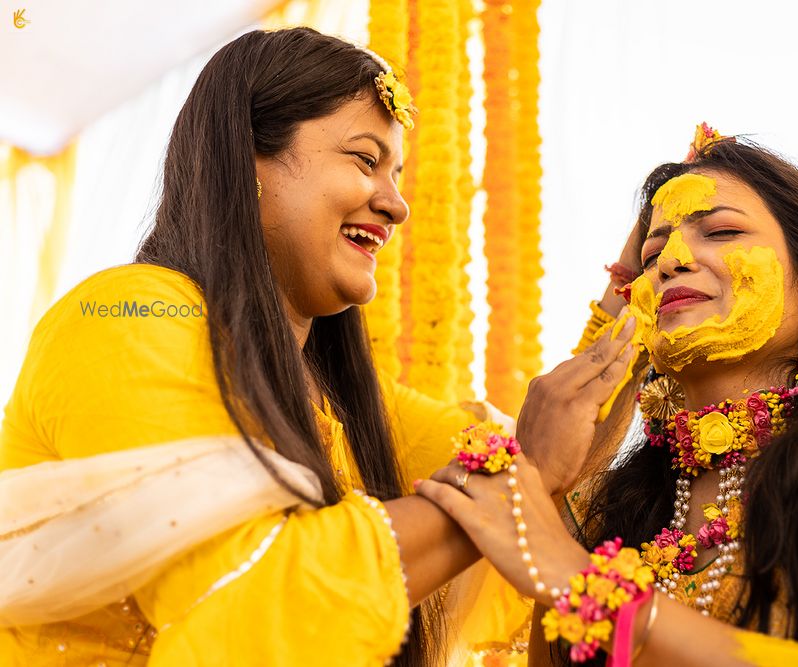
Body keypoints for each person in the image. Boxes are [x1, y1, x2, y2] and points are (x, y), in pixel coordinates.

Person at [0, 27, 635, 666]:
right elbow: (247, 603)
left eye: (397, 173)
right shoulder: (127, 316)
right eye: (365, 160)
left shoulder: (344, 401)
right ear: (245, 160)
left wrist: (630, 310)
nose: (396, 205)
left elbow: (544, 471)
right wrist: (516, 478)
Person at [416, 126, 798, 666]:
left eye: (721, 231)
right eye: (650, 257)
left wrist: (576, 579)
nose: (671, 261)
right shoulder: (615, 508)